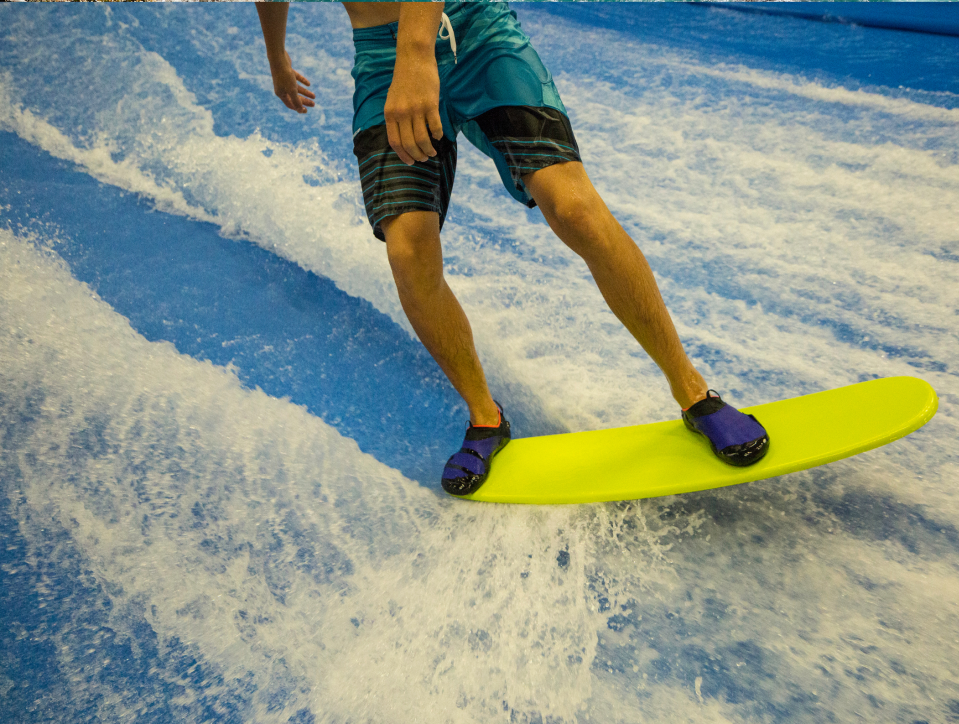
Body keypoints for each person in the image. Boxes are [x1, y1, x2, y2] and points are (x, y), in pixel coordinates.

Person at [255, 1, 769, 496]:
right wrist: (277, 56)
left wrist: (416, 56)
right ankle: (485, 418)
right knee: (408, 252)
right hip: (379, 57)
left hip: (473, 30)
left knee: (575, 211)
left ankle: (693, 393)